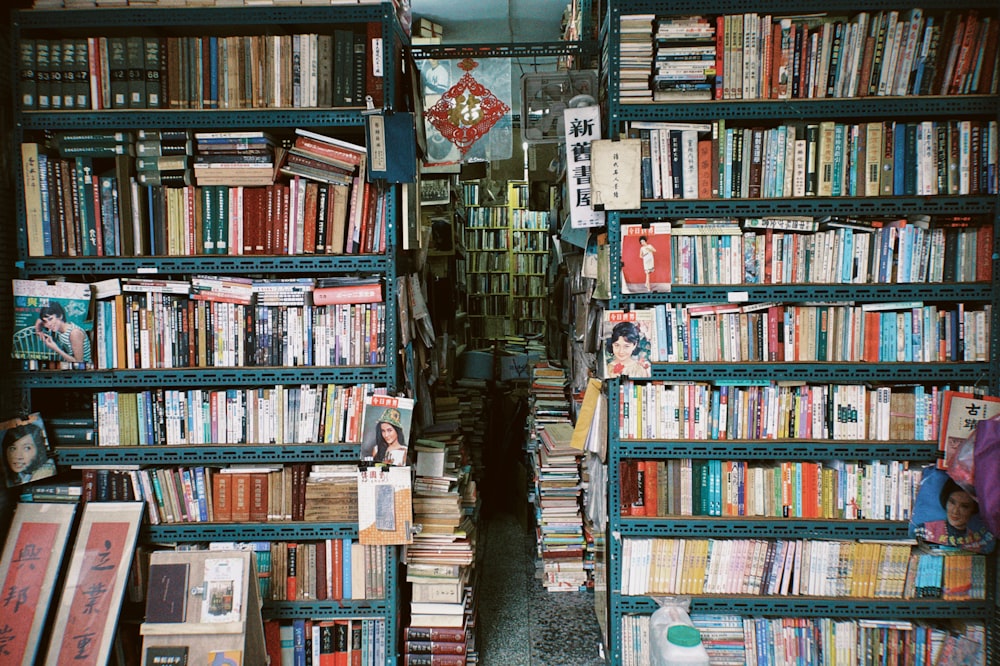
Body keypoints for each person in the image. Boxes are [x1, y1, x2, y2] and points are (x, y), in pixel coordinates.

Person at [913, 477, 995, 553]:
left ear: (973, 509)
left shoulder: (977, 539)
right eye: (952, 502)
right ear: (946, 501)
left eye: (964, 506)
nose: (955, 511)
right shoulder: (926, 529)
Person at [4, 421, 57, 487]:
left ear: (39, 449)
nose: (18, 456)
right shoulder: (15, 477)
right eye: (13, 448)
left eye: (27, 448)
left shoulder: (45, 472)